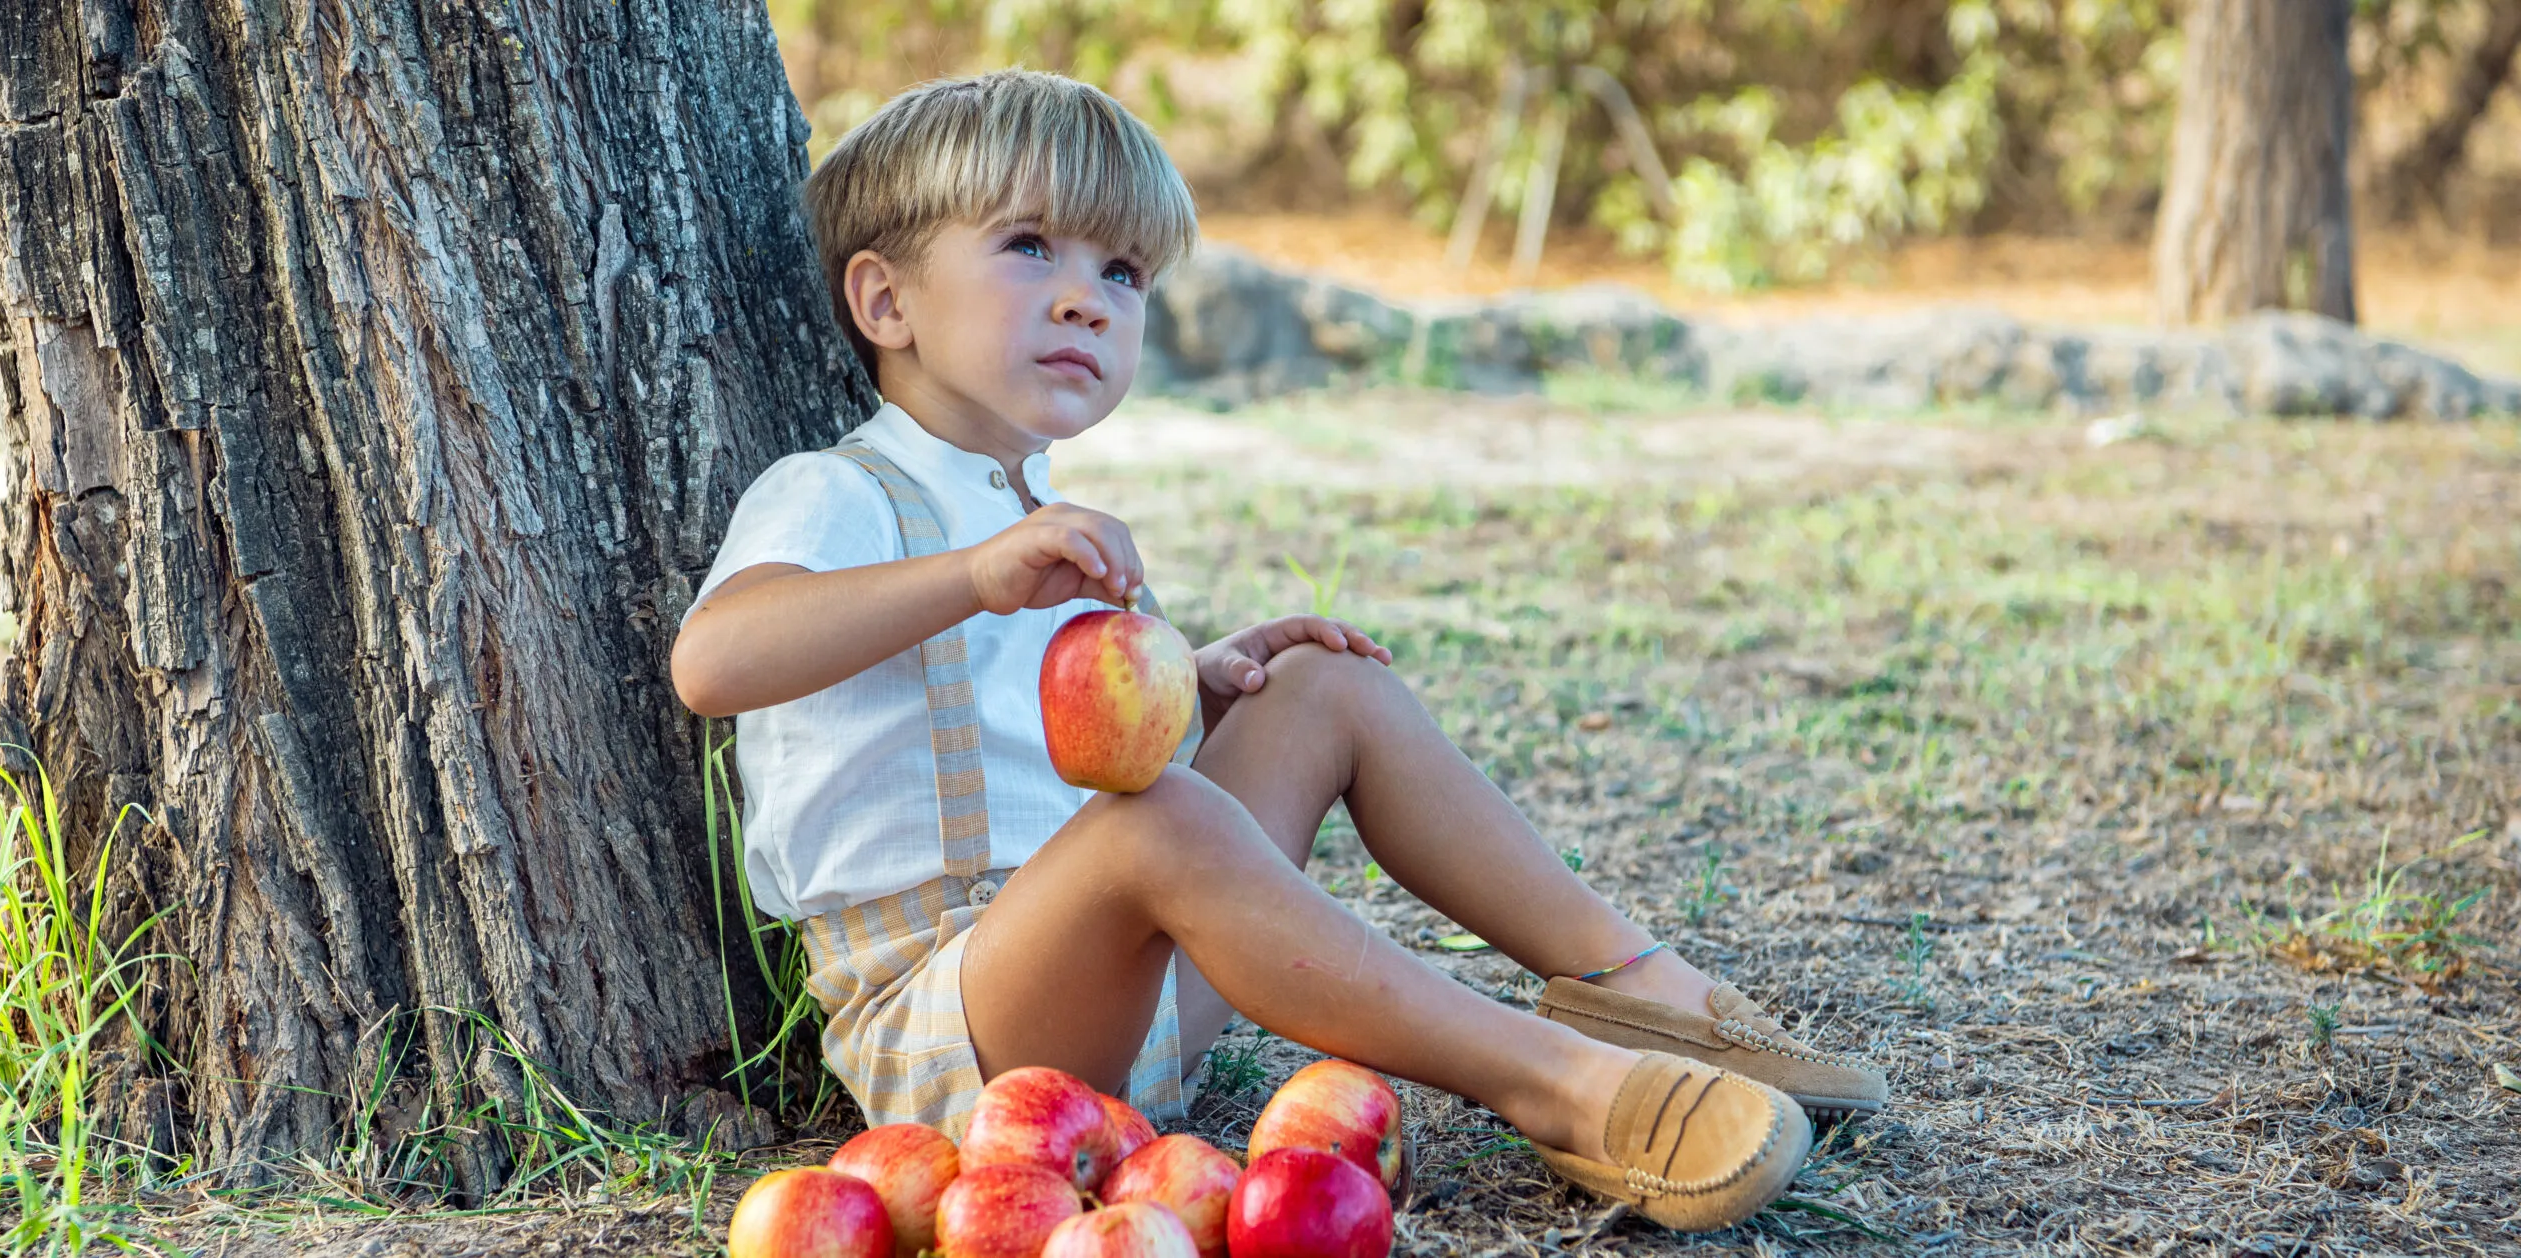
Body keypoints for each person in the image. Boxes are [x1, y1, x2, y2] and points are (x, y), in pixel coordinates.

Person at [668, 68, 1883, 1233]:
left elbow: (1036, 753)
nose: (1087, 295)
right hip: (953, 1030)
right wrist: (972, 579)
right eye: (1030, 245)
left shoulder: (1035, 513)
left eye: (1123, 269)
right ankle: (1557, 1082)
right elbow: (715, 661)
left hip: (1121, 986)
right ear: (885, 301)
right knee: (1162, 822)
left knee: (1325, 685)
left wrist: (1190, 688)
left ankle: (1640, 987)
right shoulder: (837, 491)